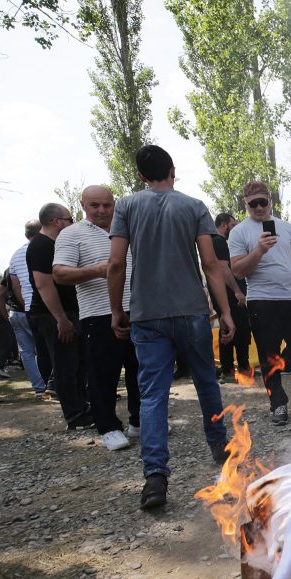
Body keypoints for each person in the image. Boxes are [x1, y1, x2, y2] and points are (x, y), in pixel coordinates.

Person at [108, 145, 235, 510]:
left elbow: (115, 264)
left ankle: (155, 478)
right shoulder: (194, 206)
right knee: (206, 381)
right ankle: (221, 448)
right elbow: (211, 265)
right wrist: (225, 311)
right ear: (173, 170)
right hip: (192, 311)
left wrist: (117, 309)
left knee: (153, 395)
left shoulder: (128, 206)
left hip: (147, 314)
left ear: (141, 175)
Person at [229, 181, 291, 426]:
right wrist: (259, 250)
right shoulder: (239, 232)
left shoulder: (286, 227)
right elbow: (238, 270)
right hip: (262, 300)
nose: (259, 207)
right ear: (246, 203)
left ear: (270, 201)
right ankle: (278, 404)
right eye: (253, 204)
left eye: (263, 202)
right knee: (269, 355)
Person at [53, 185, 139, 451]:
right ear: (83, 206)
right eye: (95, 205)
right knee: (103, 374)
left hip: (138, 311)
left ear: (114, 204)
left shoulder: (127, 231)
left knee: (141, 371)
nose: (102, 210)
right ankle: (109, 427)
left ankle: (140, 421)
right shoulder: (71, 234)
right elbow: (59, 273)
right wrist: (98, 270)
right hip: (98, 313)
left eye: (107, 204)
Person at [27, 203, 94, 430]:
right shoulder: (40, 245)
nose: (71, 223)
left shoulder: (54, 244)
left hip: (68, 313)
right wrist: (61, 319)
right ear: (57, 222)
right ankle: (75, 416)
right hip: (51, 316)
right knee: (65, 365)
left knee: (77, 363)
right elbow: (44, 285)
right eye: (69, 219)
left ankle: (83, 407)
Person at [1, 221, 48, 394]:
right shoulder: (45, 248)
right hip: (42, 307)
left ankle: (39, 387)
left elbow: (15, 286)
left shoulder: (15, 255)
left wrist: (24, 305)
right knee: (45, 349)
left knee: (27, 352)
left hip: (21, 311)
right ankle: (51, 383)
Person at [210, 213, 251, 384]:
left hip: (226, 295)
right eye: (232, 225)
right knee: (237, 329)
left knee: (231, 329)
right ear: (224, 225)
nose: (234, 229)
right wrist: (237, 291)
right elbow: (223, 269)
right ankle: (238, 369)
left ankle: (232, 369)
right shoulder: (218, 242)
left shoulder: (215, 242)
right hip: (230, 295)